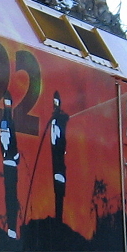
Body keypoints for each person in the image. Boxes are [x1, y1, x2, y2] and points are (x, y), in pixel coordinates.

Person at [0, 94, 20, 238]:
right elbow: (6, 140)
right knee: (11, 196)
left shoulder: (5, 122)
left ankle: (12, 226)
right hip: (10, 163)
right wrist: (14, 155)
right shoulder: (7, 122)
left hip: (9, 161)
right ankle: (11, 227)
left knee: (11, 195)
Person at [49, 91, 69, 221]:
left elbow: (65, 118)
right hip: (55, 163)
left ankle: (59, 218)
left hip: (60, 163)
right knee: (56, 189)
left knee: (60, 189)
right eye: (54, 103)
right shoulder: (53, 121)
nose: (55, 106)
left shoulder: (61, 119)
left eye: (57, 102)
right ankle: (57, 217)